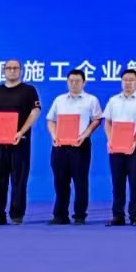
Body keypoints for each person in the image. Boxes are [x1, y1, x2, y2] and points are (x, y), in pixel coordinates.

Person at [0, 59, 40, 226]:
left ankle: (17, 214)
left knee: (19, 180)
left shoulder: (29, 90)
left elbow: (35, 112)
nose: (12, 70)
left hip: (20, 142)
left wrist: (22, 131)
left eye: (15, 68)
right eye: (9, 68)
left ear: (21, 70)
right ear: (4, 71)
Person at [46, 69, 103, 225]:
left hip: (80, 145)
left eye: (77, 81)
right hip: (60, 146)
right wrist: (54, 136)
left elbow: (97, 120)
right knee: (60, 181)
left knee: (80, 181)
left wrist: (84, 135)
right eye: (71, 81)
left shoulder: (91, 100)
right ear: (67, 82)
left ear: (84, 83)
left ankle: (79, 215)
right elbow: (51, 120)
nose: (74, 84)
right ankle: (60, 215)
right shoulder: (59, 100)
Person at [103, 68, 136, 226]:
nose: (128, 83)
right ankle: (118, 216)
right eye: (125, 80)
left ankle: (135, 216)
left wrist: (134, 142)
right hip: (116, 146)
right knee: (117, 182)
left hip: (135, 146)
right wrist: (111, 140)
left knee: (135, 182)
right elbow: (107, 122)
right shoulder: (113, 100)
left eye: (131, 80)